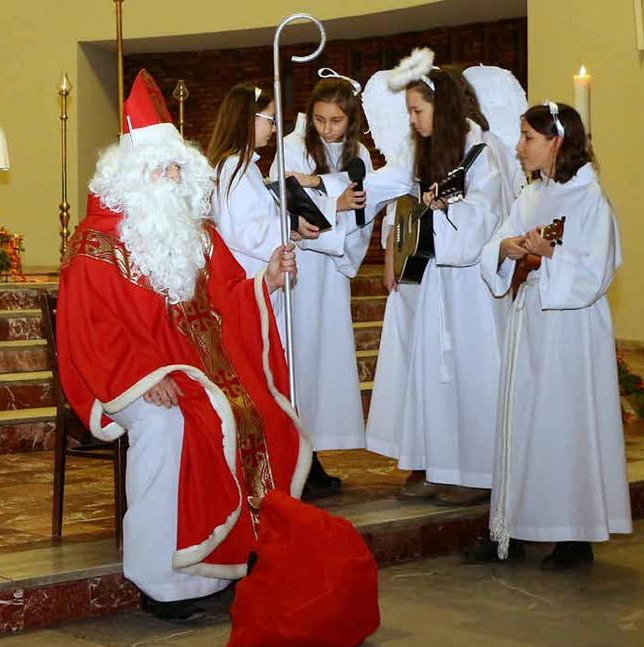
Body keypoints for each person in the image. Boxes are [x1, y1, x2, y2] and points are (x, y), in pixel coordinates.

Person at [57, 70, 310, 620]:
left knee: (257, 410)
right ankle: (161, 581)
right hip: (124, 377)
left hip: (196, 369)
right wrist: (148, 378)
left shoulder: (196, 235)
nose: (174, 179)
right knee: (170, 425)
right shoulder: (97, 245)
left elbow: (225, 299)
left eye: (179, 168)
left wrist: (264, 280)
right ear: (134, 178)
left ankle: (230, 559)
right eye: (163, 170)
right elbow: (93, 330)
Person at [468, 101, 632, 569]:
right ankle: (512, 527)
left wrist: (549, 255)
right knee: (522, 422)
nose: (519, 148)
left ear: (556, 142)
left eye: (527, 138)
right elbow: (496, 245)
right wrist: (509, 247)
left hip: (572, 330)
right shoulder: (532, 195)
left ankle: (573, 536)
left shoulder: (590, 199)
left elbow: (595, 273)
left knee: (565, 424)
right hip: (531, 324)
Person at [365, 48, 511, 506]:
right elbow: (406, 202)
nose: (412, 119)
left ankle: (478, 472)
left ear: (442, 108)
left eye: (417, 110)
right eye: (409, 111)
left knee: (469, 374)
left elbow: (483, 218)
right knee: (433, 376)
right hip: (437, 283)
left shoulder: (485, 153)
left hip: (472, 289)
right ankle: (440, 463)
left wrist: (446, 210)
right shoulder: (434, 151)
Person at [207, 82, 339, 497]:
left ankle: (285, 471)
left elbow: (262, 223)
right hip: (250, 290)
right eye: (268, 119)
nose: (272, 128)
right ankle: (272, 476)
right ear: (249, 120)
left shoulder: (247, 169)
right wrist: (287, 228)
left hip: (266, 288)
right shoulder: (232, 168)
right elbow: (243, 231)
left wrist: (293, 227)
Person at [267, 70, 372, 494]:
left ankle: (313, 456)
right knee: (298, 363)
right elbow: (281, 200)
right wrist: (336, 201)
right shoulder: (290, 146)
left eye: (336, 121)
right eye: (320, 120)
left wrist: (351, 212)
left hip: (331, 276)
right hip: (298, 272)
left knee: (323, 366)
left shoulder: (358, 152)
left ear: (351, 121)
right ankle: (294, 460)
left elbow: (362, 213)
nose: (327, 129)